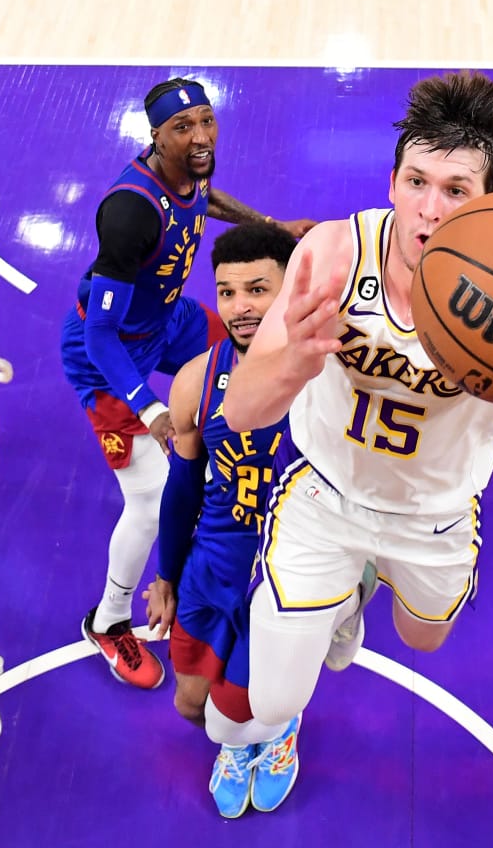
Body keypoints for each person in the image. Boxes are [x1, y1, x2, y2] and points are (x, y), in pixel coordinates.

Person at [219, 70, 493, 770]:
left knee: (423, 638)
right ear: (392, 183)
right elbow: (240, 412)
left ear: (489, 204)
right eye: (417, 182)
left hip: (434, 515)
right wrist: (293, 362)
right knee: (271, 699)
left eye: (456, 191)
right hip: (325, 495)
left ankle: (354, 592)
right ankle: (291, 705)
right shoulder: (332, 256)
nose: (429, 210)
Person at [58, 77, 313, 689]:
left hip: (168, 322)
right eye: (183, 127)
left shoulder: (188, 170)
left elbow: (206, 198)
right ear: (156, 136)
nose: (200, 137)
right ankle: (109, 619)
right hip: (111, 354)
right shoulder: (129, 214)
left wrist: (272, 226)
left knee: (252, 350)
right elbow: (100, 335)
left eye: (206, 121)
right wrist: (150, 411)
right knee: (149, 502)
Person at [141, 221, 300, 818]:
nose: (240, 307)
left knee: (253, 701)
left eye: (258, 289)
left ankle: (277, 733)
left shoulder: (327, 380)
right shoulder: (196, 380)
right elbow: (182, 487)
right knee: (191, 705)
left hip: (285, 572)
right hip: (215, 560)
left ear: (290, 289)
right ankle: (245, 738)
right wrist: (167, 575)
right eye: (228, 292)